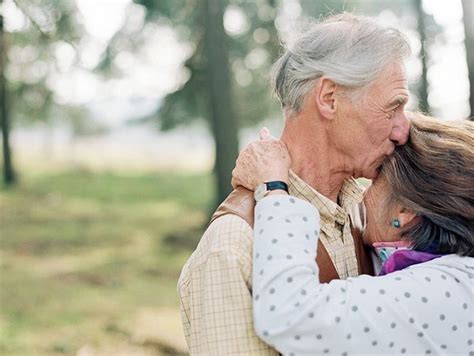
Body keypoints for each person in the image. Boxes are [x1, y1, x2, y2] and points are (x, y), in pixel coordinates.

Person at [178, 13, 411, 354]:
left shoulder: (365, 211)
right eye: (393, 108)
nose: (402, 130)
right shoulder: (233, 245)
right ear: (329, 97)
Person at [231, 114, 474, 355]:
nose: (362, 194)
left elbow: (291, 314)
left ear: (406, 210)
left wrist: (273, 188)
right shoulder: (444, 269)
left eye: (377, 179)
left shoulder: (444, 292)